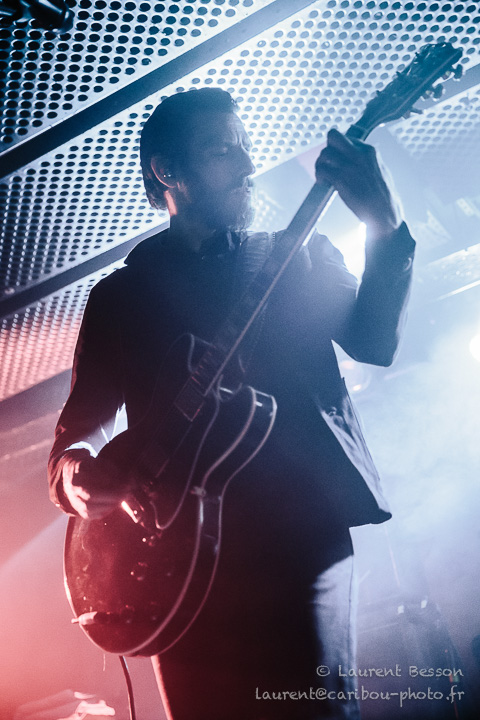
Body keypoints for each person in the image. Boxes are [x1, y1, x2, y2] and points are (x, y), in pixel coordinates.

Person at [49, 88, 415, 720]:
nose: (247, 165)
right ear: (168, 171)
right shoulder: (120, 297)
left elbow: (376, 341)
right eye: (222, 151)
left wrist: (383, 224)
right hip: (173, 555)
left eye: (246, 148)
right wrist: (77, 475)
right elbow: (78, 433)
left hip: (298, 530)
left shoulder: (297, 255)